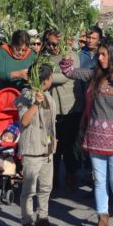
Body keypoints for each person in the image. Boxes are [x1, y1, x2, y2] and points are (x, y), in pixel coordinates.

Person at [59, 37, 113, 226]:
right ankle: (102, 221)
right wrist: (66, 54)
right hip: (95, 136)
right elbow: (69, 72)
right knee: (99, 181)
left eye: (104, 54)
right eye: (99, 54)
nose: (100, 58)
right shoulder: (95, 74)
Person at [15, 63, 57, 226]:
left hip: (47, 149)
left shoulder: (49, 96)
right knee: (29, 189)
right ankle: (26, 222)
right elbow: (24, 121)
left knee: (46, 186)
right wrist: (35, 104)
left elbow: (50, 122)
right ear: (45, 80)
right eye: (51, 77)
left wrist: (53, 140)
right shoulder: (25, 96)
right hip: (32, 148)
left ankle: (43, 217)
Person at [43, 29, 84, 192]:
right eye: (49, 43)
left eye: (55, 44)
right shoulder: (45, 57)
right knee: (52, 146)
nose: (52, 47)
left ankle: (70, 175)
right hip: (51, 107)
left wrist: (47, 77)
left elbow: (67, 75)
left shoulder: (70, 55)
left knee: (69, 146)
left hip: (70, 107)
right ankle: (52, 180)